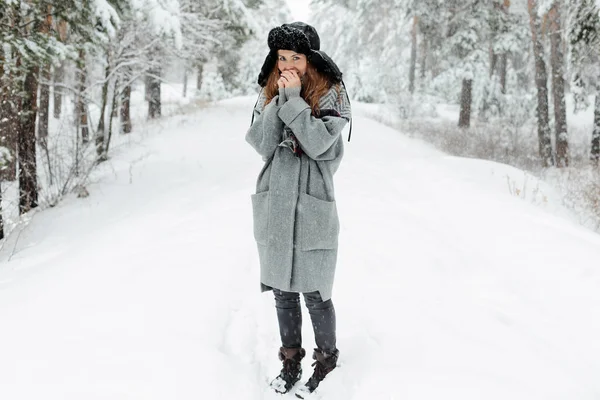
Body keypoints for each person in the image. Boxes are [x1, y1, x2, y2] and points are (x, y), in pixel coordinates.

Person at [245, 22, 351, 397]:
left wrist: (293, 102)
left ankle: (326, 361)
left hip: (311, 203)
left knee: (315, 290)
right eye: (281, 57)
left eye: (296, 57)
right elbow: (261, 143)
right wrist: (279, 101)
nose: (288, 64)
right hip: (276, 199)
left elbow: (320, 145)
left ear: (312, 61)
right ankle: (290, 360)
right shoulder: (269, 94)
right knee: (282, 290)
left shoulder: (331, 98)